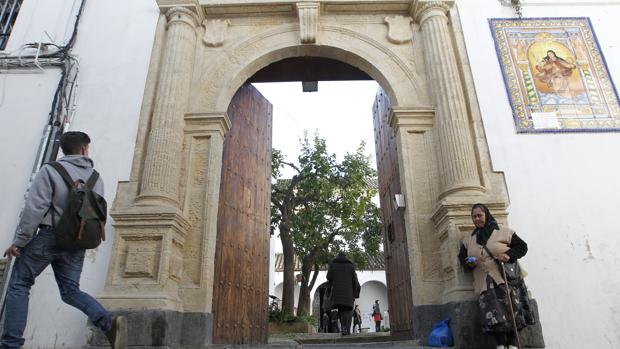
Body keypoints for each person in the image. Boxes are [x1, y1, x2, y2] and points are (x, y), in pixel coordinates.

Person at [1, 131, 127, 349]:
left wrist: (20, 242)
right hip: (78, 241)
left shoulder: (50, 170)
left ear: (63, 149)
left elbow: (34, 208)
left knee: (19, 284)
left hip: (50, 236)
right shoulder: (96, 178)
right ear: (85, 149)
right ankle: (107, 321)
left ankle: (10, 344)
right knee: (70, 291)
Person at [458, 203, 531, 349]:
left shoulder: (504, 232)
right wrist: (468, 263)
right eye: (474, 217)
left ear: (487, 215)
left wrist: (508, 255)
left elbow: (522, 247)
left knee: (511, 311)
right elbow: (462, 258)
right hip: (483, 282)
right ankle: (500, 344)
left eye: (480, 215)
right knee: (492, 315)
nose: (477, 219)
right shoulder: (469, 239)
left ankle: (512, 344)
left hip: (504, 279)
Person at [326, 251, 360, 336]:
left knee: (341, 310)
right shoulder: (351, 266)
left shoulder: (333, 265)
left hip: (337, 294)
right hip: (349, 294)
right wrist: (356, 293)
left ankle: (344, 328)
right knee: (348, 311)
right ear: (346, 256)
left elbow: (328, 277)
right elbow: (355, 281)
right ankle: (346, 329)